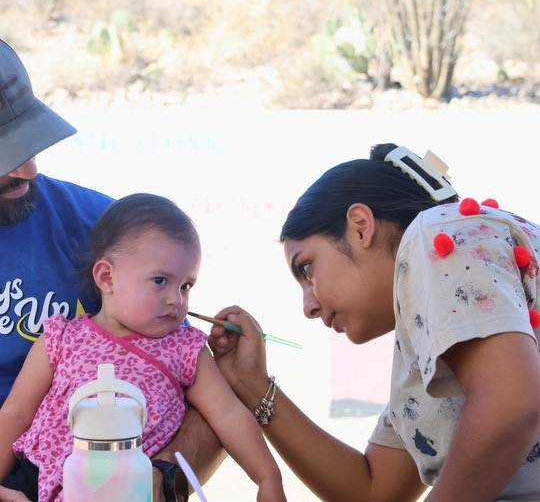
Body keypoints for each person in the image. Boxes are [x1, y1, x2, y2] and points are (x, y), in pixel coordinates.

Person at [209, 142, 540, 502]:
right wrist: (251, 384)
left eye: (306, 268)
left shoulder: (432, 232)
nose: (308, 306)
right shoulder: (425, 341)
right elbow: (374, 491)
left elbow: (510, 403)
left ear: (361, 227)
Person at [0, 38, 225, 502]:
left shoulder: (106, 232)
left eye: (30, 141)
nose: (28, 168)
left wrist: (160, 481)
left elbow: (203, 396)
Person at [0, 193, 287, 502]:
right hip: (35, 481)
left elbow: (228, 414)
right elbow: (16, 414)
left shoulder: (185, 349)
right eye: (160, 280)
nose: (176, 299)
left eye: (186, 286)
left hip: (134, 489)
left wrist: (267, 476)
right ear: (106, 276)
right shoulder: (60, 337)